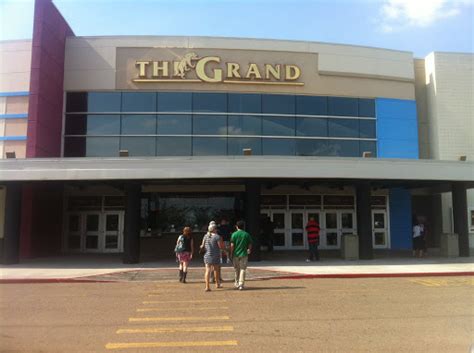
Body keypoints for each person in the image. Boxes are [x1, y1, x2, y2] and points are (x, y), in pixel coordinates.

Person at [200, 224, 225, 292]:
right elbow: (220, 246)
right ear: (214, 229)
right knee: (216, 270)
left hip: (207, 255)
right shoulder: (217, 237)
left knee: (207, 270)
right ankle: (217, 283)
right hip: (215, 255)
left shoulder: (205, 236)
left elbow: (202, 245)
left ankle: (207, 286)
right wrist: (224, 248)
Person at [230, 220, 253, 291]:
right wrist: (249, 249)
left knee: (236, 269)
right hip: (244, 254)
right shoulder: (246, 234)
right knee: (243, 269)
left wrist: (231, 253)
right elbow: (250, 243)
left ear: (236, 226)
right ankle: (241, 284)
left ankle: (236, 282)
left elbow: (232, 245)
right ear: (243, 227)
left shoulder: (234, 234)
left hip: (235, 254)